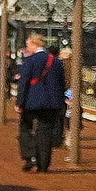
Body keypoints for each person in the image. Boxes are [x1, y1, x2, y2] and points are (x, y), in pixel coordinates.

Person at [16, 36, 66, 172]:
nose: (27, 48)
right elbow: (61, 83)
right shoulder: (55, 61)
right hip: (51, 102)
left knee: (25, 127)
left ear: (34, 44)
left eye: (28, 45)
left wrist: (20, 102)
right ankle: (43, 164)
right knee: (45, 131)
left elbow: (24, 83)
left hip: (31, 101)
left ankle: (30, 156)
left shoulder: (30, 61)